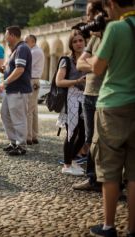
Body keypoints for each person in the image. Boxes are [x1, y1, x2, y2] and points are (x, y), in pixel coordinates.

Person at [89, 0, 135, 236]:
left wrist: (89, 56)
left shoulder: (116, 28)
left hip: (113, 105)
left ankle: (109, 226)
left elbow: (97, 68)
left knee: (110, 168)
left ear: (112, 3)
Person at [72, 0, 106, 192]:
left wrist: (91, 63)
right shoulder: (93, 39)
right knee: (91, 138)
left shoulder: (110, 36)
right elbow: (79, 64)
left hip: (104, 94)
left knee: (106, 141)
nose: (87, 19)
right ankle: (93, 179)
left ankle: (111, 180)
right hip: (89, 93)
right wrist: (97, 63)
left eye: (89, 14)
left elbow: (102, 65)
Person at [56, 30, 86, 176]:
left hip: (86, 98)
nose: (78, 43)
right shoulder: (66, 60)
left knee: (85, 134)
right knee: (71, 133)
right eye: (75, 41)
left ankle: (72, 159)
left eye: (80, 40)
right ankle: (67, 165)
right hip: (71, 98)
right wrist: (77, 81)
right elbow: (58, 81)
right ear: (71, 44)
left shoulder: (89, 59)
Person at [0, 26, 32, 156]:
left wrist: (5, 82)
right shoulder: (15, 50)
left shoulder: (22, 48)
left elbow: (19, 69)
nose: (5, 38)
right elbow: (13, 69)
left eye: (6, 35)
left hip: (18, 90)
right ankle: (13, 141)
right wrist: (4, 70)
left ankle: (21, 145)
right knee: (5, 115)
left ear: (12, 36)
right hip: (11, 90)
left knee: (18, 118)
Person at [24, 34, 45, 145]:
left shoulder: (34, 52)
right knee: (33, 110)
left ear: (32, 41)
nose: (24, 43)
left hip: (32, 81)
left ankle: (28, 136)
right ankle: (34, 135)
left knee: (29, 110)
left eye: (26, 41)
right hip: (34, 81)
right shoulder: (36, 51)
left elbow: (26, 65)